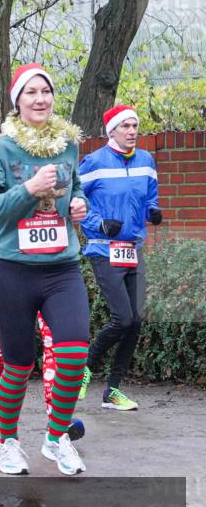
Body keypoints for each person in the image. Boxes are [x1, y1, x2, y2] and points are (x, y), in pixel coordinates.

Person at [0, 63, 90, 476]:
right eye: (31, 93)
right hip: (12, 269)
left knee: (74, 353)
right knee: (18, 363)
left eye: (46, 91)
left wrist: (79, 205)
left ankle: (56, 440)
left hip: (62, 268)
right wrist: (30, 188)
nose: (40, 99)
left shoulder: (68, 145)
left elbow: (74, 189)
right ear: (17, 102)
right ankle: (7, 442)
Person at [78, 104, 162, 411]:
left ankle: (112, 390)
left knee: (136, 321)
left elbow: (150, 194)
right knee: (122, 317)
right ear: (111, 130)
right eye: (125, 126)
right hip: (103, 248)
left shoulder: (146, 160)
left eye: (134, 126)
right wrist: (98, 223)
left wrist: (153, 211)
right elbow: (76, 200)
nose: (131, 132)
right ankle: (81, 370)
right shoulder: (93, 162)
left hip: (133, 248)